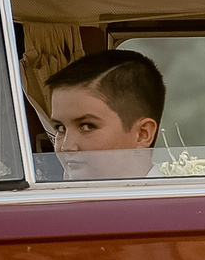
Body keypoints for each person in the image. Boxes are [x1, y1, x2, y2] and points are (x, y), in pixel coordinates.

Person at [42, 49, 164, 180]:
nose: (66, 146)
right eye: (60, 128)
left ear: (142, 134)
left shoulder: (170, 194)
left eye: (87, 126)